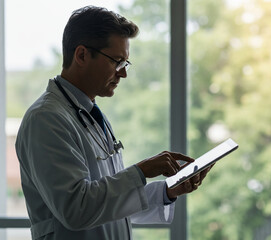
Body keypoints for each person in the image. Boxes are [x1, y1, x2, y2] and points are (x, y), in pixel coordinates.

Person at [15, 5, 212, 240]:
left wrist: (167, 191)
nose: (123, 73)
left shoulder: (92, 115)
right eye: (117, 61)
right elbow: (76, 209)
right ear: (81, 55)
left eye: (124, 63)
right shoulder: (46, 119)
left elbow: (109, 206)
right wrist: (141, 171)